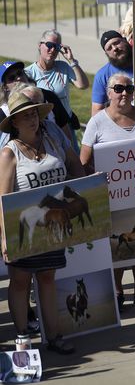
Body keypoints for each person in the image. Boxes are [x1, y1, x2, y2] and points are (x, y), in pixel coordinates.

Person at [0, 91, 85, 355]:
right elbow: (2, 198)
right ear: (14, 122)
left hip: (54, 224)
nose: (32, 120)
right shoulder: (8, 154)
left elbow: (74, 164)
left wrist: (81, 186)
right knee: (21, 282)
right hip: (25, 227)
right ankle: (23, 338)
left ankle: (55, 336)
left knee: (48, 277)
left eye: (34, 113)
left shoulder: (53, 140)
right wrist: (4, 237)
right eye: (25, 116)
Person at [80, 73, 135, 310]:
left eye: (129, 88)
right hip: (112, 198)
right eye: (119, 88)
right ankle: (118, 292)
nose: (124, 93)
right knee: (116, 249)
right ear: (109, 92)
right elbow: (84, 161)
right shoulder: (97, 122)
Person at [25, 29, 88, 147]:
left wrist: (72, 61)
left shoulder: (63, 67)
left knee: (73, 159)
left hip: (66, 124)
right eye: (49, 45)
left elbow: (83, 85)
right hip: (45, 127)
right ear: (40, 45)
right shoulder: (29, 73)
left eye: (57, 47)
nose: (53, 50)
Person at [1, 61, 72, 141]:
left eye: (20, 73)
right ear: (5, 87)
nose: (18, 78)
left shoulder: (48, 95)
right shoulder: (3, 111)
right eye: (11, 78)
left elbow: (65, 131)